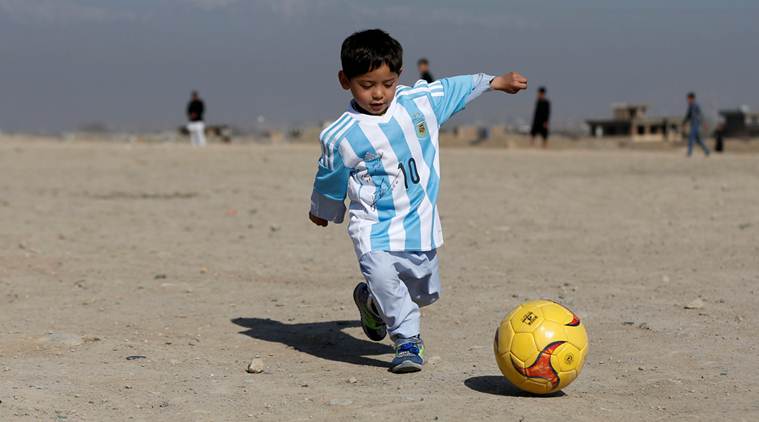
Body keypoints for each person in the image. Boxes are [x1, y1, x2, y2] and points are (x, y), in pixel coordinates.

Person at [307, 29, 527, 373]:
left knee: (423, 295)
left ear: (398, 78)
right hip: (373, 227)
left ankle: (371, 304)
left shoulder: (417, 104)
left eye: (388, 83)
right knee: (382, 276)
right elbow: (329, 177)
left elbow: (454, 88)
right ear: (345, 81)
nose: (378, 94)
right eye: (367, 85)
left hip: (419, 223)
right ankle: (407, 341)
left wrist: (495, 82)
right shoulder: (341, 135)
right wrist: (323, 210)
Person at [682, 92, 709, 157]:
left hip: (696, 124)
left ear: (692, 98)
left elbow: (701, 115)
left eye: (688, 99)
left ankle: (689, 152)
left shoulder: (696, 105)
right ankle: (706, 150)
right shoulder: (690, 106)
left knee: (691, 137)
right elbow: (688, 115)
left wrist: (704, 123)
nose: (687, 100)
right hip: (692, 124)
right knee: (698, 139)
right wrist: (684, 123)